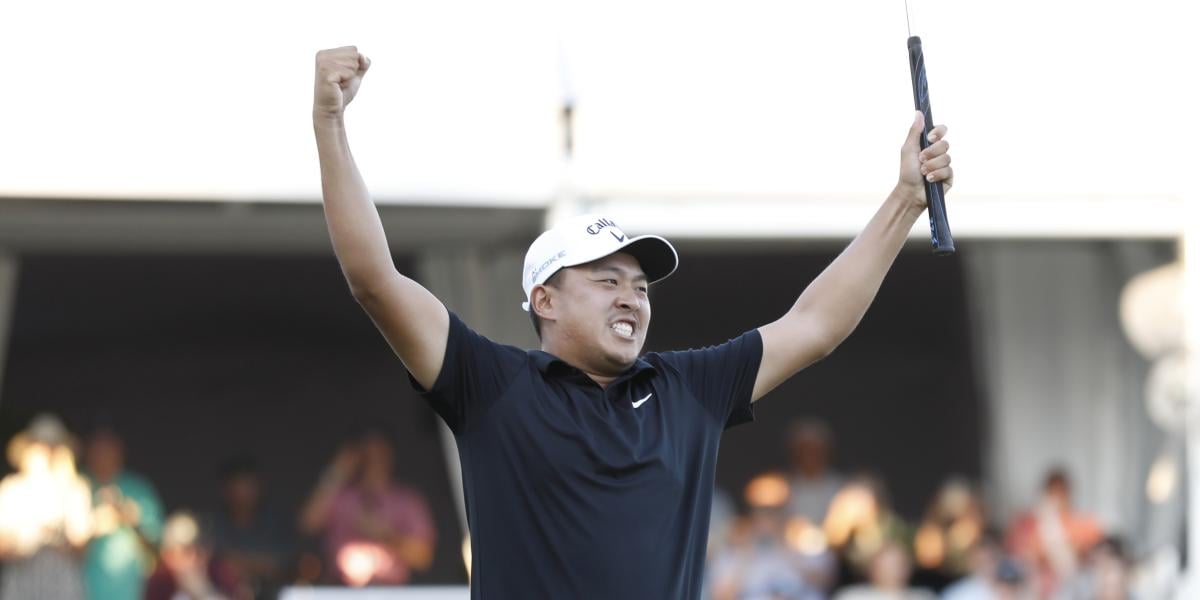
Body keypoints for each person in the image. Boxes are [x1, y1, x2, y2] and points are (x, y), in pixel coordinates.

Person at [311, 44, 954, 598]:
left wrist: (903, 199)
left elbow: (816, 324)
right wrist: (330, 122)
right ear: (545, 300)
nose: (632, 298)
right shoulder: (491, 384)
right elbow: (374, 280)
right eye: (607, 280)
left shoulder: (687, 388)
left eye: (641, 287)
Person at [299, 430, 436, 586]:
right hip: (341, 590)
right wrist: (337, 471)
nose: (373, 460)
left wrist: (387, 535)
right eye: (366, 454)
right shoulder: (341, 497)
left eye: (378, 453)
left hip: (390, 591)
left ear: (390, 455)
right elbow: (307, 524)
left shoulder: (407, 500)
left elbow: (423, 557)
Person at [0, 414, 92, 600]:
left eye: (53, 446)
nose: (46, 452)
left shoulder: (75, 489)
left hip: (63, 587)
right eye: (40, 445)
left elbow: (81, 549)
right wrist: (28, 540)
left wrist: (56, 537)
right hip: (21, 585)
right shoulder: (11, 488)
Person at [80, 426, 165, 600]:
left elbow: (156, 554)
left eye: (108, 450)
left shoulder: (140, 490)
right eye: (96, 450)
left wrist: (133, 521)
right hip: (76, 592)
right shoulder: (76, 485)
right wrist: (92, 526)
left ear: (120, 452)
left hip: (128, 593)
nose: (102, 456)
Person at [1005, 469, 1103, 597]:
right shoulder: (1027, 524)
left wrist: (1051, 523)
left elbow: (1070, 568)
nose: (1057, 498)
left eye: (1061, 491)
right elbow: (1019, 563)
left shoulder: (1084, 525)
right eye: (1051, 491)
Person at [203, 456, 290, 599]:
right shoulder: (213, 524)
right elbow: (213, 564)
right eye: (239, 485)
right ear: (226, 489)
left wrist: (235, 563)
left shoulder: (275, 523)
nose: (245, 492)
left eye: (250, 485)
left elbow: (281, 565)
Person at [145, 512, 246, 600]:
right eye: (185, 550)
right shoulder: (159, 581)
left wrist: (202, 592)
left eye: (197, 548)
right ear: (166, 555)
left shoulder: (220, 573)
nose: (193, 557)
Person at [786, 420, 845, 526]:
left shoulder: (841, 487)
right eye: (804, 450)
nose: (810, 455)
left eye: (815, 450)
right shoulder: (783, 487)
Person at [834, 541, 937, 600]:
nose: (893, 571)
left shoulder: (924, 596)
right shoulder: (851, 596)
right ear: (873, 568)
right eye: (887, 565)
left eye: (898, 564)